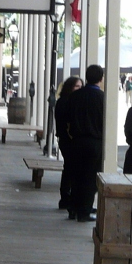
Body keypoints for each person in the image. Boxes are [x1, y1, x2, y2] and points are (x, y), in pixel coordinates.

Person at [62, 65, 105, 221]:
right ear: (101, 78)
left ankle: (72, 208)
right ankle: (84, 211)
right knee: (90, 178)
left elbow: (67, 119)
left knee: (76, 176)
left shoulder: (75, 96)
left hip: (77, 141)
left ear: (86, 77)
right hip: (95, 143)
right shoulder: (102, 98)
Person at [54, 76, 85, 211]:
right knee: (70, 169)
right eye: (77, 86)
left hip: (67, 139)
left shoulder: (65, 101)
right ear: (70, 87)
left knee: (69, 169)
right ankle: (67, 198)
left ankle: (67, 198)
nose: (80, 89)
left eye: (81, 86)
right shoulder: (65, 102)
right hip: (68, 140)